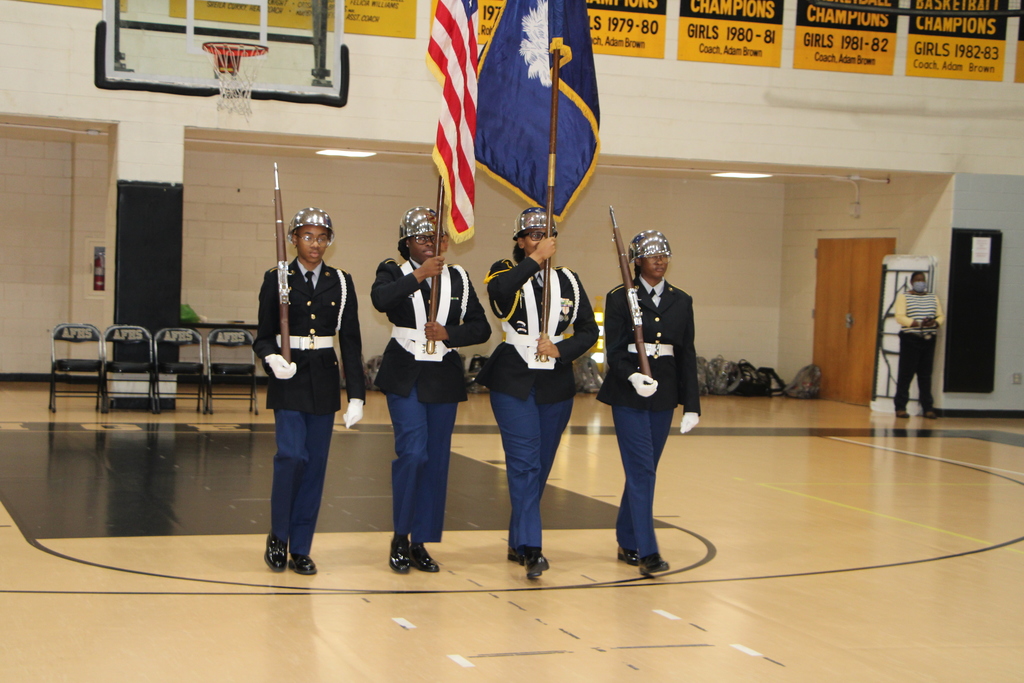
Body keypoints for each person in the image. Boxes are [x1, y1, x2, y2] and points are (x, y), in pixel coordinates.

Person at [475, 207, 598, 579]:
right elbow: (499, 295)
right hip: (514, 378)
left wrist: (561, 350)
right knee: (524, 463)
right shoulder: (504, 270)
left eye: (546, 235)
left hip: (554, 382)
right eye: (532, 235)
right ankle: (532, 548)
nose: (540, 240)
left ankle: (517, 538)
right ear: (519, 241)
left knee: (541, 466)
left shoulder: (570, 281)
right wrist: (534, 260)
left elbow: (589, 330)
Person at [371, 207, 491, 573]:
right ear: (407, 242)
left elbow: (481, 328)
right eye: (424, 238)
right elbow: (382, 300)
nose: (433, 244)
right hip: (405, 371)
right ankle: (400, 535)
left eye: (438, 239)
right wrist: (419, 275)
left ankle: (421, 541)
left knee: (436, 461)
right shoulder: (393, 269)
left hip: (442, 375)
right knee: (413, 453)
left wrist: (449, 333)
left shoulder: (458, 277)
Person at [254, 207, 366, 575]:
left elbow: (350, 341)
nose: (315, 244)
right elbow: (263, 335)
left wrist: (357, 395)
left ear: (329, 242)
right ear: (293, 239)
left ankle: (301, 547)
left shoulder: (342, 281)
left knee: (315, 465)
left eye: (321, 237)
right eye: (307, 236)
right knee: (291, 456)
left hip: (322, 377)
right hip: (289, 377)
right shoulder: (278, 277)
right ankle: (279, 535)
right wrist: (271, 359)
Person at [596, 230, 701, 577]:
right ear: (636, 261)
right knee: (642, 471)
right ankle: (647, 550)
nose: (660, 260)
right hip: (628, 393)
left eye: (664, 254)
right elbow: (613, 351)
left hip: (665, 393)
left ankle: (627, 537)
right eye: (652, 255)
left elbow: (686, 354)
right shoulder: (620, 297)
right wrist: (631, 376)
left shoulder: (681, 300)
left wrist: (692, 404)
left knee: (645, 470)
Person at [893, 271, 944, 419]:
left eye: (922, 280)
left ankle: (928, 407)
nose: (920, 282)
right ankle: (901, 407)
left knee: (925, 375)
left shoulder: (932, 297)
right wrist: (915, 323)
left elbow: (940, 316)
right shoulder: (904, 297)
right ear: (912, 282)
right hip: (911, 338)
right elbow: (900, 316)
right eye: (917, 280)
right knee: (906, 374)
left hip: (928, 339)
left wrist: (935, 322)